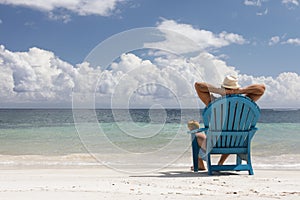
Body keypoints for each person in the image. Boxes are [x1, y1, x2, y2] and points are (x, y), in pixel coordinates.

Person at [191, 75, 265, 169]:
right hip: (237, 143)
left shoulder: (214, 103)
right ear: (236, 88)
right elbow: (261, 89)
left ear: (223, 88)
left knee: (196, 134)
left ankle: (200, 162)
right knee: (232, 133)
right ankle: (221, 162)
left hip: (213, 144)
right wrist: (240, 91)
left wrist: (219, 91)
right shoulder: (244, 104)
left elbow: (198, 85)